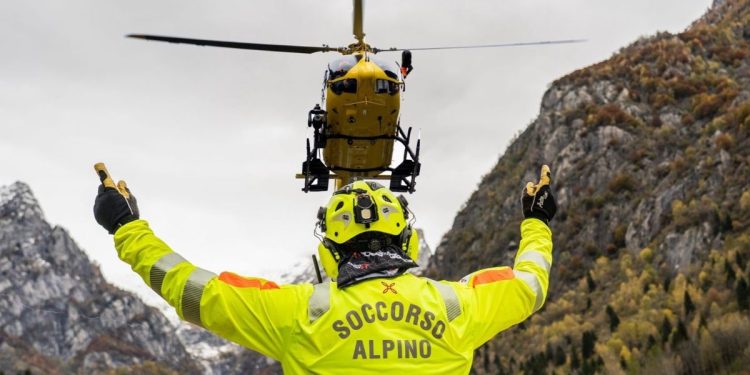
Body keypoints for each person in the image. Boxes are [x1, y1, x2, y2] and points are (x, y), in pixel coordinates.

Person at [93, 165, 556, 374]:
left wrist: (126, 228)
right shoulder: (459, 306)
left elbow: (192, 290)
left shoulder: (300, 311)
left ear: (329, 253)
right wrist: (536, 223)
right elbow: (530, 285)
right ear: (409, 242)